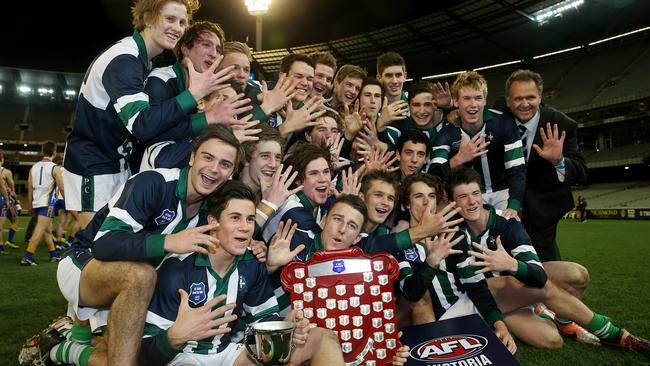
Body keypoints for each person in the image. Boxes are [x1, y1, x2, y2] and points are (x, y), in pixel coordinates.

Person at [50, 125, 244, 366]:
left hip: (139, 285)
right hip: (85, 265)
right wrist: (169, 241)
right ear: (192, 157)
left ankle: (63, 350)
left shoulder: (211, 209)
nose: (214, 169)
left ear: (232, 173)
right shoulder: (154, 182)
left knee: (130, 358)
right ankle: (74, 332)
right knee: (142, 276)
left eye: (225, 164)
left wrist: (257, 246)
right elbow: (104, 244)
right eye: (208, 157)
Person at [133, 181, 345, 366]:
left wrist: (286, 329)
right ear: (213, 222)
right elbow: (143, 355)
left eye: (250, 219)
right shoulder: (177, 269)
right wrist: (174, 337)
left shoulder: (251, 264)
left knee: (323, 338)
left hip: (228, 353)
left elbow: (264, 322)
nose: (245, 227)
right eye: (235, 218)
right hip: (182, 357)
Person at [63, 0, 231, 230]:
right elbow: (142, 126)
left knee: (114, 249)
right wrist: (194, 94)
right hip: (94, 165)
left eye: (182, 22)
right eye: (169, 19)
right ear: (148, 18)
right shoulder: (124, 59)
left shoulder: (142, 60)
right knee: (100, 250)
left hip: (117, 164)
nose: (177, 28)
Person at [446, 167, 649, 354]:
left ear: (482, 194)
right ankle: (535, 309)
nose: (472, 201)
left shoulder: (506, 223)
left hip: (517, 281)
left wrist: (512, 264)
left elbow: (539, 275)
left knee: (577, 275)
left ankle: (570, 322)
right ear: (452, 202)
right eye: (463, 197)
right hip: (487, 295)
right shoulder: (453, 231)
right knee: (551, 340)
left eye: (475, 194)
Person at [503, 69, 588, 261]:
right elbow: (471, 113)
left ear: (540, 97)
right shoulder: (499, 115)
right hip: (506, 206)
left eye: (531, 97)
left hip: (543, 208)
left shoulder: (561, 124)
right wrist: (451, 109)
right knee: (505, 266)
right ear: (508, 101)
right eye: (517, 99)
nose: (525, 104)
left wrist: (559, 161)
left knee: (545, 266)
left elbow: (582, 172)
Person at [429, 71, 526, 219]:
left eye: (478, 98)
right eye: (466, 98)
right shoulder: (446, 134)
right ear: (456, 101)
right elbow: (434, 175)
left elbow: (517, 169)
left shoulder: (504, 124)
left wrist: (514, 205)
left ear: (485, 100)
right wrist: (459, 159)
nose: (473, 105)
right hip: (466, 195)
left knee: (512, 234)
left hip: (503, 192)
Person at [21, 141, 64, 265]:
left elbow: (29, 188)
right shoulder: (55, 168)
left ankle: (54, 255)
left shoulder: (33, 167)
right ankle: (28, 256)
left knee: (47, 230)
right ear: (54, 152)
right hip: (48, 204)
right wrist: (69, 200)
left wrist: (30, 205)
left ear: (42, 152)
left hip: (37, 203)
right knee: (40, 229)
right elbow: (61, 188)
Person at [0, 151, 19, 250]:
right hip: (3, 199)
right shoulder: (6, 172)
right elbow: (11, 188)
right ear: (2, 159)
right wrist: (16, 199)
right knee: (14, 220)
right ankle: (5, 244)